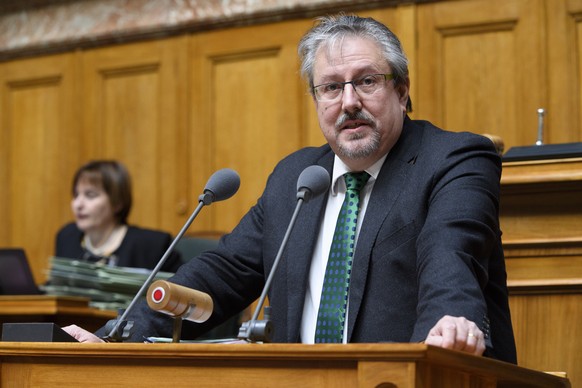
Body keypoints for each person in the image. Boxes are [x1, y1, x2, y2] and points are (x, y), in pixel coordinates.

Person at [64, 14, 517, 364]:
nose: (349, 102)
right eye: (330, 88)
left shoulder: (454, 159)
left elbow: (452, 255)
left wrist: (447, 331)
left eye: (367, 81)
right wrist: (117, 336)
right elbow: (219, 273)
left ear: (401, 90)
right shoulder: (296, 179)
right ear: (317, 100)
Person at [55, 160, 182, 273]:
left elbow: (184, 289)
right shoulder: (67, 237)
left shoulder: (151, 245)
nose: (78, 204)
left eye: (90, 195)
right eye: (76, 195)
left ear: (117, 203)